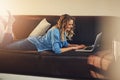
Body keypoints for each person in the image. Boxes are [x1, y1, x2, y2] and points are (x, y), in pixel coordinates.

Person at [1, 13, 86, 54]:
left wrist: (77, 46)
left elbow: (65, 44)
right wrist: (72, 48)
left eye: (72, 24)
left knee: (9, 44)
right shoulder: (55, 31)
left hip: (32, 41)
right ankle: (10, 24)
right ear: (64, 23)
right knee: (4, 47)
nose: (71, 26)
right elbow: (57, 50)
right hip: (31, 44)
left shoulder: (63, 31)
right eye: (69, 24)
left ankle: (10, 27)